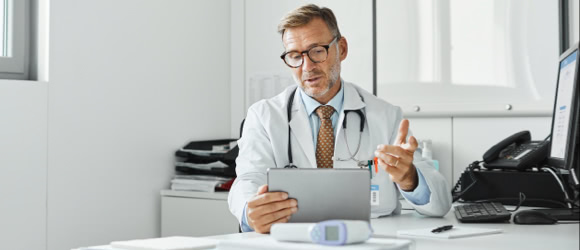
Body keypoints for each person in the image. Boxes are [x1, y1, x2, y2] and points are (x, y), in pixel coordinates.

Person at [228, 4, 452, 234]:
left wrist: (409, 178)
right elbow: (248, 179)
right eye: (295, 56)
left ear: (341, 49)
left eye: (317, 51)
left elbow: (440, 204)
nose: (307, 67)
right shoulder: (264, 116)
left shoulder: (386, 116)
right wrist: (250, 211)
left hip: (367, 241)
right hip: (293, 240)